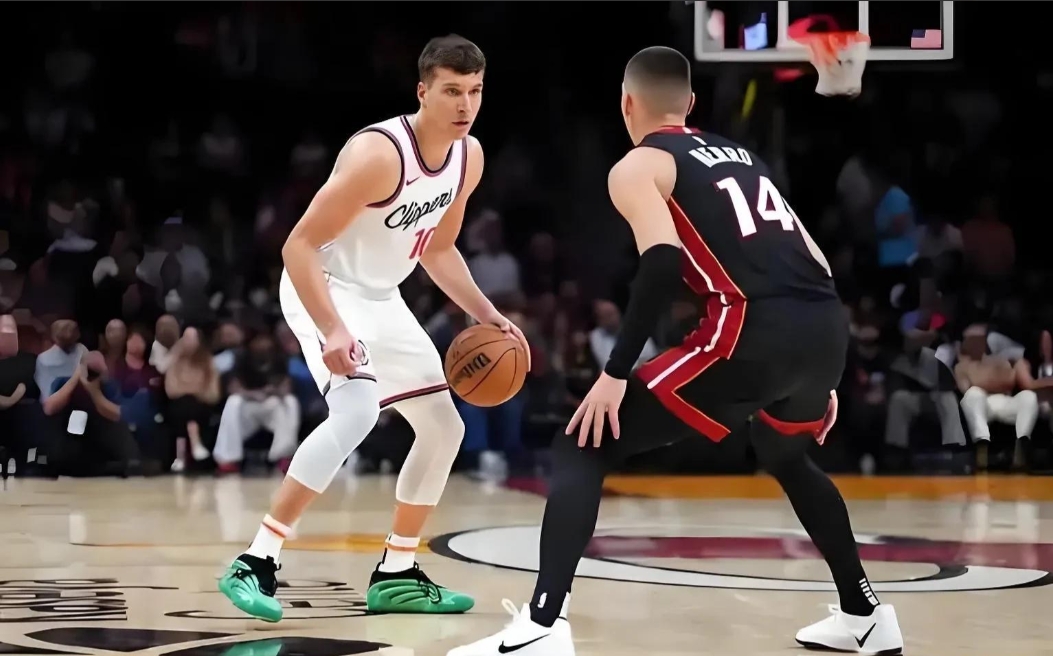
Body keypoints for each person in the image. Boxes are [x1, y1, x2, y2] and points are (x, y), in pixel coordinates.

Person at [449, 47, 903, 656]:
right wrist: (819, 368)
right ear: (689, 104)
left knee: (582, 444)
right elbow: (815, 259)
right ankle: (864, 615)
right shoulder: (743, 157)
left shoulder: (639, 164)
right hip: (824, 325)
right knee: (784, 451)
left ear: (626, 103)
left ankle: (541, 627)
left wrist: (614, 373)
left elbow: (662, 263)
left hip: (750, 329)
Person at [218, 34, 528, 622]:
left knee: (444, 428)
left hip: (382, 298)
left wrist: (487, 313)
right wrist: (333, 329)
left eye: (475, 91)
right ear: (423, 92)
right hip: (324, 287)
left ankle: (397, 573)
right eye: (452, 91)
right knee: (357, 412)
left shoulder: (469, 157)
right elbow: (298, 247)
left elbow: (439, 248)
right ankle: (255, 561)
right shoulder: (379, 155)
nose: (465, 105)